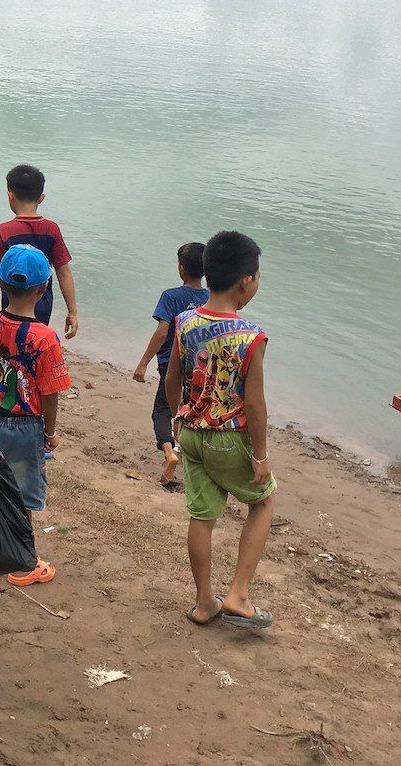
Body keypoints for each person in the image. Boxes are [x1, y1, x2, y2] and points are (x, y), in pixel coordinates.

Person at [164, 230, 275, 631]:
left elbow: (173, 378)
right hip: (229, 437)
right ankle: (238, 595)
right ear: (246, 281)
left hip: (192, 432)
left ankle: (203, 602)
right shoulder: (251, 337)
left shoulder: (184, 322)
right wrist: (259, 456)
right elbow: (255, 404)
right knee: (263, 501)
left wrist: (179, 415)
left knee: (202, 515)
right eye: (258, 276)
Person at [0, 244, 70, 586]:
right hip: (25, 425)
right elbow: (49, 391)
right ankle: (23, 563)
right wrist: (50, 432)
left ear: (0, 284)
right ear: (44, 289)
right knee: (23, 494)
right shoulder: (45, 338)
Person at [131, 241, 209, 489]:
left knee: (163, 410)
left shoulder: (171, 297)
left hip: (172, 364)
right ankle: (193, 453)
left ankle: (169, 452)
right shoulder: (210, 298)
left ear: (181, 269)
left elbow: (162, 333)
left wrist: (143, 363)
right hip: (201, 367)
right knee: (193, 409)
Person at [0, 164, 79, 339]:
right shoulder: (51, 229)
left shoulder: (3, 231)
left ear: (10, 195)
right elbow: (63, 272)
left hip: (12, 304)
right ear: (41, 198)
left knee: (11, 343)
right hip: (41, 303)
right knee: (36, 342)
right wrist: (72, 311)